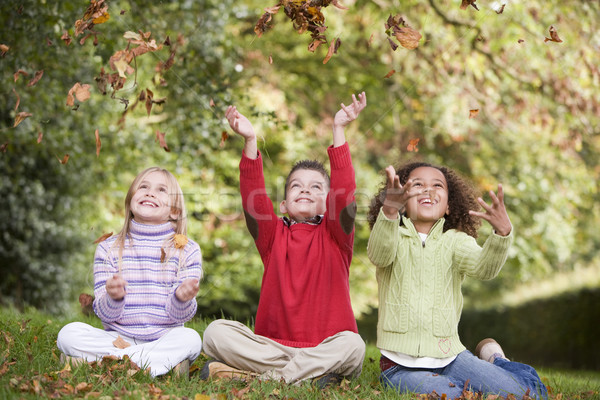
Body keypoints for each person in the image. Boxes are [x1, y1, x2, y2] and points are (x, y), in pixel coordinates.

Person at [201, 93, 368, 386]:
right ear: (283, 204)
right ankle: (302, 376)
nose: (305, 190)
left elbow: (345, 195)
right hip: (272, 348)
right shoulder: (272, 236)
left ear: (328, 202)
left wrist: (339, 131)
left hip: (325, 348)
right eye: (296, 186)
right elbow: (253, 200)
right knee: (215, 332)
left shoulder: (337, 238)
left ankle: (259, 379)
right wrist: (250, 140)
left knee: (353, 346)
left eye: (317, 187)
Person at [367, 162, 548, 399]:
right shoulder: (392, 235)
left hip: (452, 358)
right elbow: (379, 254)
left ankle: (496, 360)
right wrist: (389, 212)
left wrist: (502, 235)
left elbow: (484, 268)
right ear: (403, 201)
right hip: (402, 368)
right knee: (458, 397)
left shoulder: (456, 241)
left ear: (449, 206)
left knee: (529, 395)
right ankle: (492, 362)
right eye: (418, 184)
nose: (427, 190)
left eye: (437, 185)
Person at [57, 167, 203, 378]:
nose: (150, 192)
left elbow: (182, 315)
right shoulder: (108, 249)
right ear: (130, 201)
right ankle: (157, 366)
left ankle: (101, 363)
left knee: (190, 339)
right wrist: (113, 298)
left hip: (164, 338)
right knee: (68, 334)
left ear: (175, 212)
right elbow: (104, 313)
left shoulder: (187, 250)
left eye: (161, 190)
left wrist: (181, 298)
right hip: (118, 337)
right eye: (143, 186)